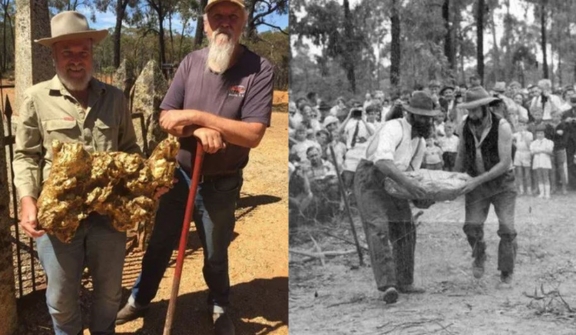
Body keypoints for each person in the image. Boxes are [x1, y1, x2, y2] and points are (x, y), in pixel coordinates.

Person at [115, 0, 274, 334]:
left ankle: (219, 305)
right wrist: (197, 129)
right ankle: (140, 298)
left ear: (243, 23)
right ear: (205, 24)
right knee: (159, 243)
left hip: (221, 182)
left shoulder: (259, 69)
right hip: (179, 176)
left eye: (233, 16)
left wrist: (198, 116)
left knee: (216, 252)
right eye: (217, 16)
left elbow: (253, 134)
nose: (224, 22)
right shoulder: (190, 63)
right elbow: (166, 117)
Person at [12, 11, 149, 334]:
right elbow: (26, 155)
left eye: (83, 52)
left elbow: (129, 148)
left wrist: (142, 181)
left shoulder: (114, 98)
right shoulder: (36, 98)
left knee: (110, 294)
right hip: (58, 217)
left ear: (92, 52)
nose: (76, 60)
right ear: (54, 54)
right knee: (60, 297)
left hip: (108, 215)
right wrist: (27, 200)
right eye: (67, 53)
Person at [354, 91, 438, 304]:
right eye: (423, 117)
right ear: (411, 115)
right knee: (379, 227)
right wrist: (408, 184)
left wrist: (422, 196)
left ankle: (405, 280)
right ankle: (387, 285)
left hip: (397, 181)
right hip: (371, 178)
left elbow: (412, 174)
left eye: (430, 117)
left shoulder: (420, 142)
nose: (428, 121)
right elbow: (382, 162)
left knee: (406, 228)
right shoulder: (394, 128)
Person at [454, 86, 517, 288]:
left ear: (485, 107)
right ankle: (479, 254)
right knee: (471, 226)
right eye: (468, 110)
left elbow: (504, 163)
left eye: (475, 110)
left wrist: (477, 180)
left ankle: (506, 271)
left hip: (502, 183)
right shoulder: (465, 125)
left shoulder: (503, 126)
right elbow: (462, 154)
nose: (471, 114)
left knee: (507, 226)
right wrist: (454, 179)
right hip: (476, 183)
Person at [530, 124, 554, 199]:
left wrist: (539, 150)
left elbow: (549, 151)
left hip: (545, 161)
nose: (539, 135)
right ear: (536, 134)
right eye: (538, 133)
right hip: (537, 162)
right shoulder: (533, 143)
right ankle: (542, 193)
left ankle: (547, 193)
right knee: (539, 177)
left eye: (541, 133)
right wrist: (543, 150)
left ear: (544, 134)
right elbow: (532, 152)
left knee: (545, 176)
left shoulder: (549, 142)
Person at [513, 121, 534, 195]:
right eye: (519, 125)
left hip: (526, 153)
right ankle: (521, 190)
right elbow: (509, 138)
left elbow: (529, 145)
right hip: (518, 153)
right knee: (519, 173)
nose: (521, 127)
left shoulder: (529, 134)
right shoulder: (515, 134)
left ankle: (529, 189)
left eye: (523, 125)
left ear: (526, 126)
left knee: (527, 173)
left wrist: (523, 135)